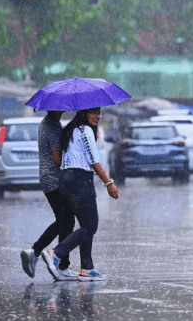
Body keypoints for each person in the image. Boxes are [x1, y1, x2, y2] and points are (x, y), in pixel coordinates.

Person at [41, 107, 119, 281]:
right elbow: (94, 160)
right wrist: (109, 183)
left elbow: (59, 158)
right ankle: (56, 253)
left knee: (85, 225)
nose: (97, 116)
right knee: (91, 226)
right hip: (80, 180)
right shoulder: (85, 131)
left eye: (99, 113)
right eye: (93, 113)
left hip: (65, 181)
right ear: (84, 113)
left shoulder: (70, 130)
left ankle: (87, 268)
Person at [20, 110, 76, 279]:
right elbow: (57, 158)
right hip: (54, 180)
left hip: (48, 179)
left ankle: (41, 254)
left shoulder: (47, 124)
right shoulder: (52, 127)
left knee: (64, 220)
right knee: (66, 220)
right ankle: (58, 263)